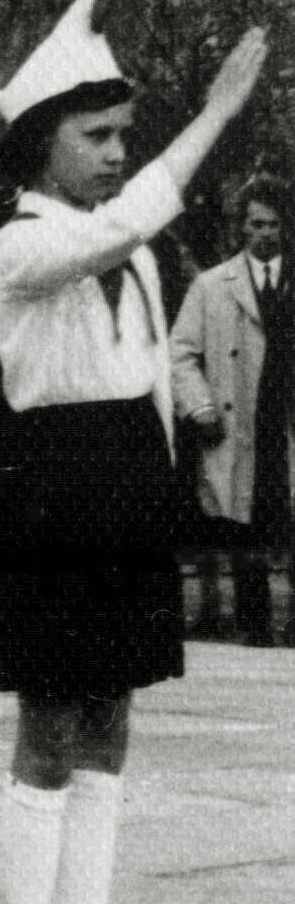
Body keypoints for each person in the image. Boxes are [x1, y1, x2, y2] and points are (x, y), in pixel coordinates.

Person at [0, 0, 269, 904]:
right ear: (34, 144)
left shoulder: (133, 255)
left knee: (110, 715)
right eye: (92, 136)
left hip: (123, 483)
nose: (112, 154)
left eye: (122, 138)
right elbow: (115, 229)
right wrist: (212, 120)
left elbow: (144, 367)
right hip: (50, 485)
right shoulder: (12, 249)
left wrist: (163, 488)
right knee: (46, 719)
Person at [170, 175, 291, 645]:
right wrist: (198, 404)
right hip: (237, 426)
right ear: (242, 228)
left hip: (283, 425)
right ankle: (254, 630)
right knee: (244, 528)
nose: (266, 234)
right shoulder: (212, 286)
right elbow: (180, 352)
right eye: (256, 224)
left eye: (275, 225)